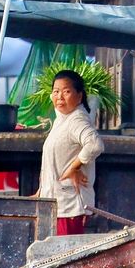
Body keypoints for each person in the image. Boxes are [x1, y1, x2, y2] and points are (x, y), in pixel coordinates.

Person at [37, 69, 104, 235]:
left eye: (66, 91)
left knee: (66, 255)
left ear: (79, 96)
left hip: (70, 206)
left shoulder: (77, 120)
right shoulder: (62, 119)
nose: (59, 96)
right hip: (56, 204)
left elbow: (95, 144)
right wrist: (41, 190)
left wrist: (73, 167)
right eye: (56, 91)